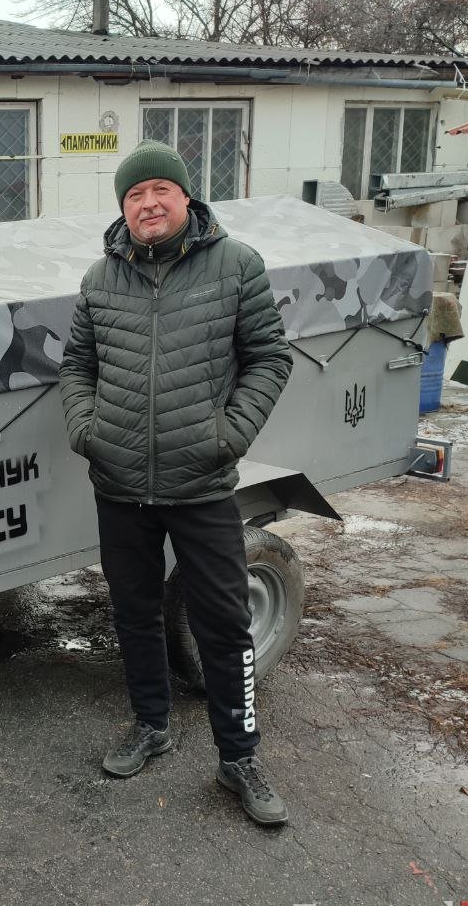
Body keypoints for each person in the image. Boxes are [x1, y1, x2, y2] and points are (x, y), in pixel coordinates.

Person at [58, 140, 293, 826]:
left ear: (186, 197)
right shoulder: (102, 279)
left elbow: (270, 357)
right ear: (124, 207)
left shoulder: (236, 265)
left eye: (161, 189)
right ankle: (151, 726)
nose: (149, 203)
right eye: (135, 195)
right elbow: (76, 364)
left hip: (203, 484)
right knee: (133, 615)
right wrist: (87, 430)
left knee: (223, 625)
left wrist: (229, 435)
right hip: (120, 481)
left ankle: (239, 758)